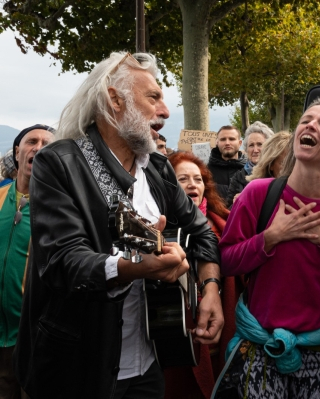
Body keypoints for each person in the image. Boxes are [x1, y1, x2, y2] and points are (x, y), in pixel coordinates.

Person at [13, 52, 223, 399]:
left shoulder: (158, 169)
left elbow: (201, 231)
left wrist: (211, 289)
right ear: (114, 99)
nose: (166, 111)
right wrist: (139, 267)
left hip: (148, 364)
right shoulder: (59, 162)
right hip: (76, 371)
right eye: (153, 97)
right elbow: (64, 262)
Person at [217, 97, 320, 398]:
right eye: (306, 120)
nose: (310, 125)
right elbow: (227, 262)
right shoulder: (258, 194)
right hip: (260, 349)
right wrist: (269, 238)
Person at [165, 151, 242, 399]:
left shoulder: (226, 224)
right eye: (183, 179)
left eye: (198, 179)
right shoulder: (157, 230)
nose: (192, 185)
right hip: (175, 348)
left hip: (223, 343)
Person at [0, 125, 54, 399]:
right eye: (32, 141)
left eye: (47, 143)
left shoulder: (63, 209)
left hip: (36, 337)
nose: (39, 146)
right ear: (17, 153)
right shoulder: (0, 197)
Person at [225, 121, 273, 207]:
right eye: (251, 145)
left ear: (269, 147)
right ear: (246, 149)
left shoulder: (277, 173)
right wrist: (236, 203)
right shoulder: (238, 178)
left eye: (259, 144)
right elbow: (228, 214)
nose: (255, 150)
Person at [208, 126, 246, 200]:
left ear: (240, 143)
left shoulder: (250, 170)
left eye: (232, 139)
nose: (227, 143)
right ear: (217, 143)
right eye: (223, 139)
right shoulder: (206, 171)